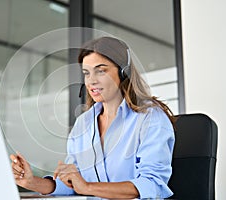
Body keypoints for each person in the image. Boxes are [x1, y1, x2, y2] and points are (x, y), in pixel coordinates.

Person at [10, 36, 175, 199]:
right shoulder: (83, 124)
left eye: (101, 71)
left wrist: (88, 187)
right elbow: (72, 183)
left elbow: (152, 185)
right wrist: (32, 182)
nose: (91, 81)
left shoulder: (150, 118)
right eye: (86, 73)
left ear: (123, 72)